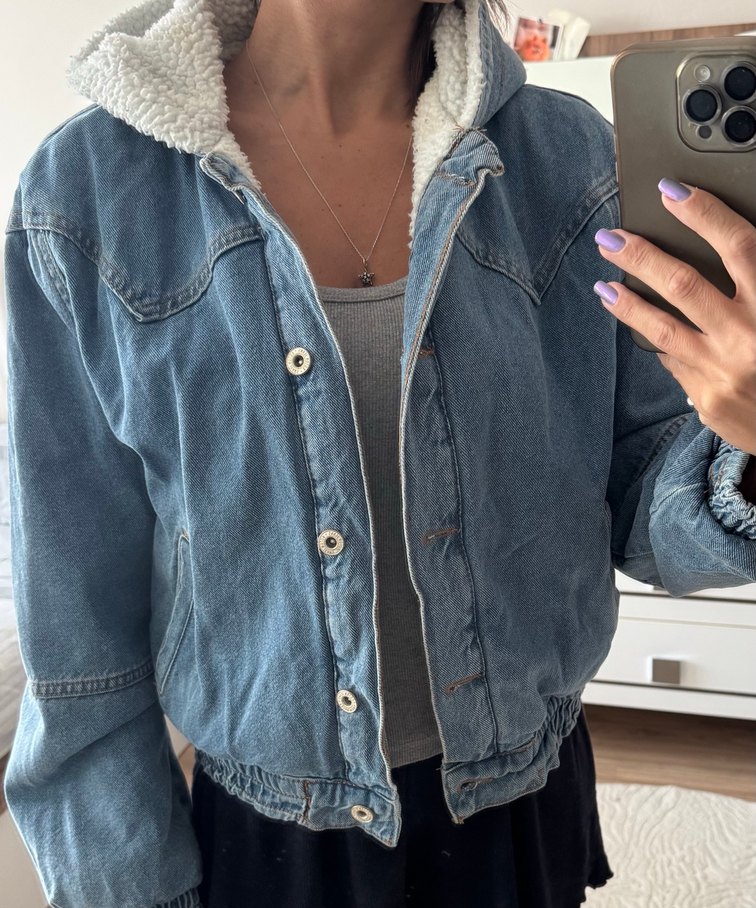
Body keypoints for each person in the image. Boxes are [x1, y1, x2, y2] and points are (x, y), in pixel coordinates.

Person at [3, 1, 756, 907]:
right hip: (269, 844)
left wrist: (746, 445)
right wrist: (126, 886)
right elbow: (74, 613)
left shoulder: (570, 162)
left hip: (520, 803)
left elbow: (644, 506)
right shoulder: (85, 194)